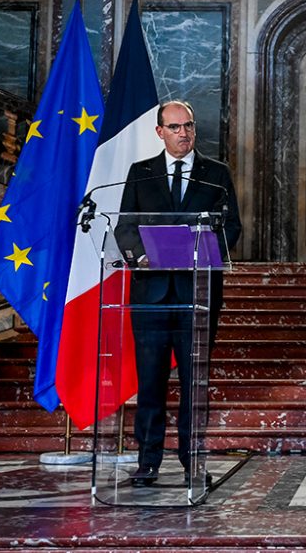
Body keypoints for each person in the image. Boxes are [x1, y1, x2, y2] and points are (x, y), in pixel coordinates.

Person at [115, 100, 242, 488]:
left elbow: (231, 226)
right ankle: (147, 461)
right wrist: (140, 258)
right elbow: (124, 229)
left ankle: (194, 462)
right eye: (174, 127)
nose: (183, 133)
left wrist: (202, 252)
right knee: (150, 381)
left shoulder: (215, 174)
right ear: (160, 132)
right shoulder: (141, 173)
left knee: (193, 383)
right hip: (151, 294)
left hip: (197, 293)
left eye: (188, 126)